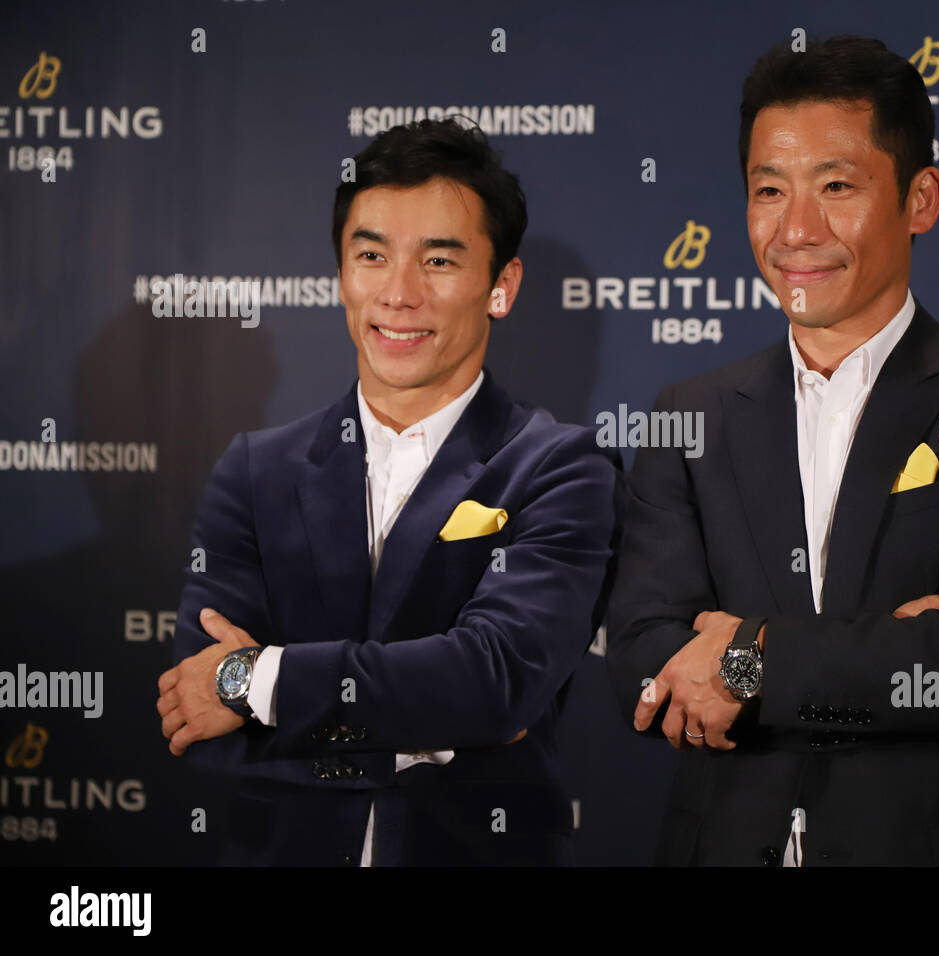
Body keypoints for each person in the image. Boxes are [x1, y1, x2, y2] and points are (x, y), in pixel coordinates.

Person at [606, 35, 939, 866]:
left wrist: (749, 658)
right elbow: (641, 658)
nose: (798, 229)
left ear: (921, 198)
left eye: (837, 186)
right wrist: (881, 646)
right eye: (769, 190)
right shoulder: (686, 415)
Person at [156, 118, 620, 866]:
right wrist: (431, 727)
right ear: (341, 274)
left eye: (438, 260)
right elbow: (195, 713)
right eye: (371, 255)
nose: (398, 294)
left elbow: (495, 684)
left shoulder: (561, 469)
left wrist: (257, 678)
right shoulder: (256, 470)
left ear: (501, 286)